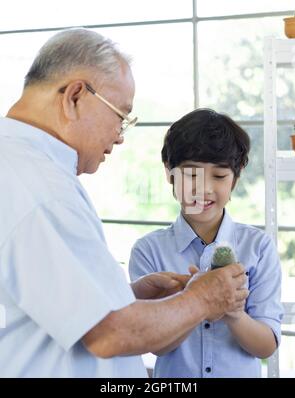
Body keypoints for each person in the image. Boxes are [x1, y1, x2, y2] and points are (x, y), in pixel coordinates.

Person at [0, 29, 248, 378]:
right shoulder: (42, 188)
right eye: (121, 115)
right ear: (74, 96)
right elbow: (107, 334)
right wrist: (204, 299)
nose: (119, 136)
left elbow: (42, 304)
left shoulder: (19, 165)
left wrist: (126, 295)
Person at [129, 108, 283, 378]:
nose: (204, 188)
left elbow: (266, 345)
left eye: (219, 176)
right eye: (191, 175)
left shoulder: (258, 248)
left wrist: (234, 313)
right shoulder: (148, 250)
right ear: (169, 173)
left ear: (237, 175)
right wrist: (196, 301)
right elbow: (157, 346)